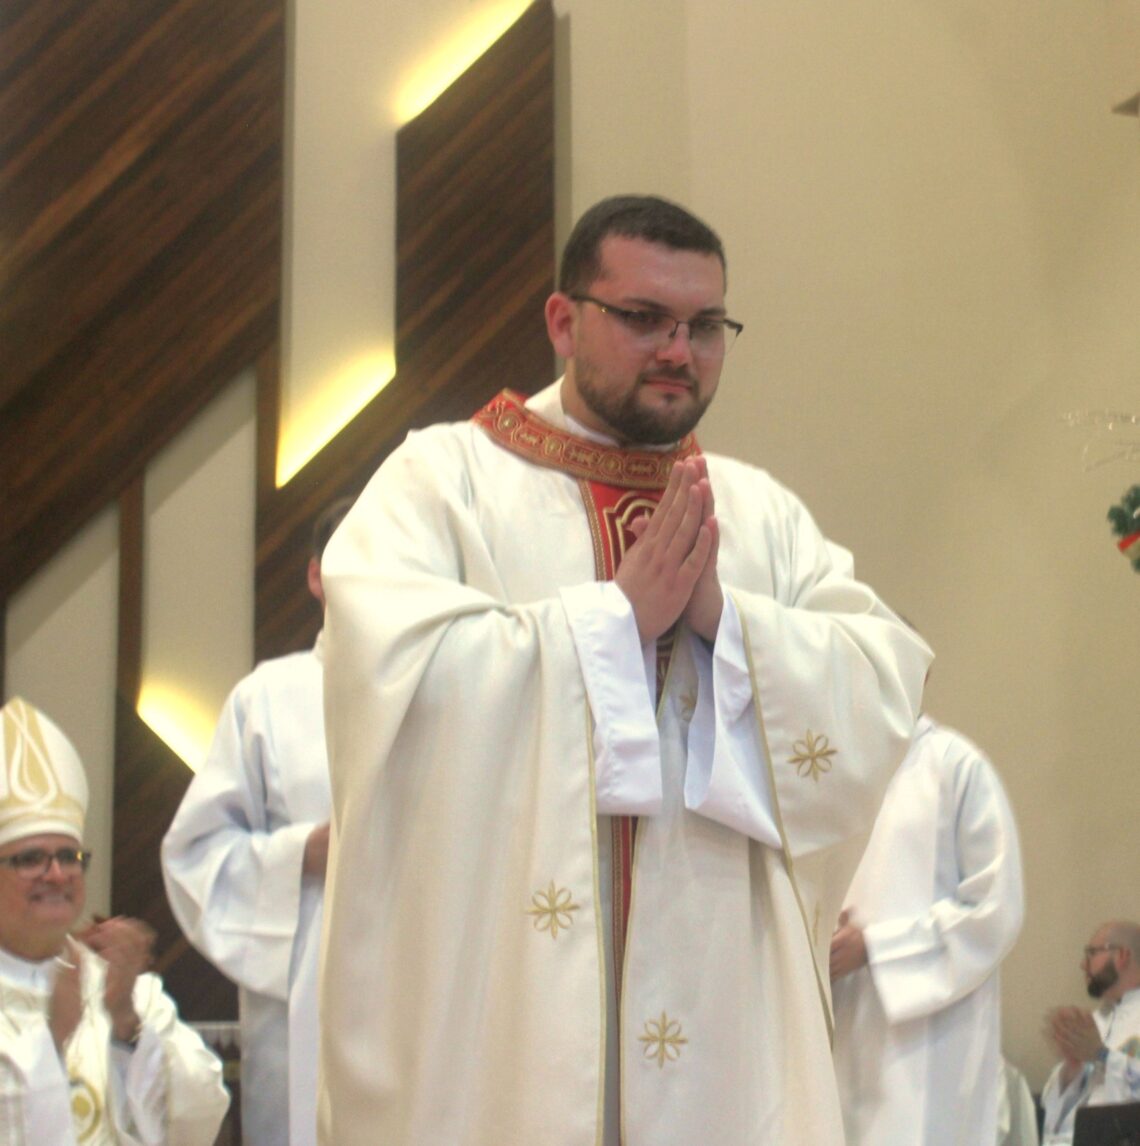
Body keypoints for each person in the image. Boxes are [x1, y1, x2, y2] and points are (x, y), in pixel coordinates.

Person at [318, 194, 932, 1145]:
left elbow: (884, 681)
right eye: (643, 318)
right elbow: (390, 679)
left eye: (705, 326)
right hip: (507, 1023)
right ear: (564, 321)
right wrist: (610, 627)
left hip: (721, 1015)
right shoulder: (443, 482)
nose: (679, 350)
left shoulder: (758, 512)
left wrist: (726, 622)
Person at [162, 498, 352, 1146]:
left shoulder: (443, 688)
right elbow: (195, 852)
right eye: (344, 557)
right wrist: (302, 853)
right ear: (314, 577)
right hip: (301, 992)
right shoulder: (268, 696)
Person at [0, 695, 229, 1145]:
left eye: (69, 856)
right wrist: (52, 1040)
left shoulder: (116, 985)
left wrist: (126, 1024)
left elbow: (202, 1118)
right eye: (31, 859)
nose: (58, 873)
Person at [829, 713, 1026, 1145]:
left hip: (928, 1043)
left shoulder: (954, 764)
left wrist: (876, 948)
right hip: (841, 1027)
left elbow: (994, 908)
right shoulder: (831, 769)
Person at [1040, 921, 1140, 1144]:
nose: (1082, 965)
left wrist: (1102, 1055)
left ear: (1123, 955)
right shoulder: (1095, 1021)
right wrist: (1071, 1069)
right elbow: (1057, 1111)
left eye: (1091, 953)